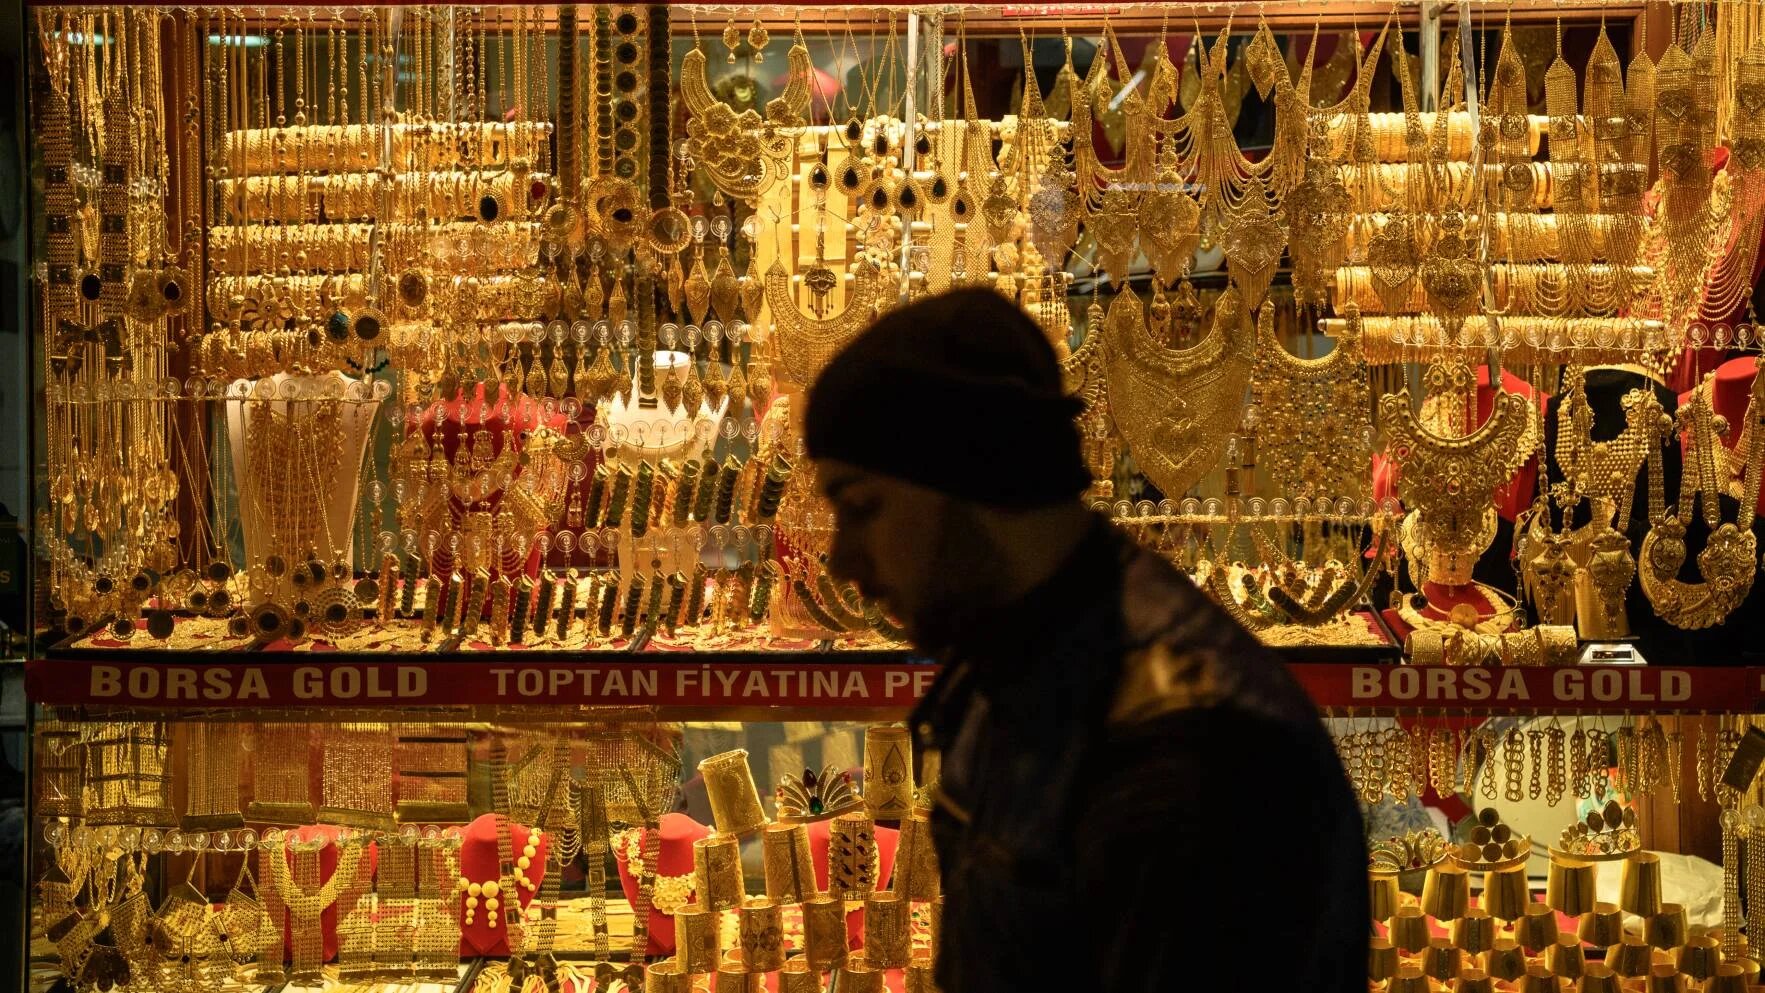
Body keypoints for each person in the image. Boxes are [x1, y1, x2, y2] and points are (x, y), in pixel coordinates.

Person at [804, 288, 1368, 993]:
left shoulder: (1193, 752)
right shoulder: (1013, 664)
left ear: (971, 475)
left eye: (861, 507)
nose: (840, 562)